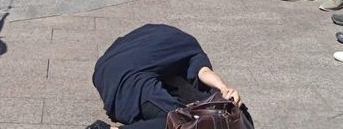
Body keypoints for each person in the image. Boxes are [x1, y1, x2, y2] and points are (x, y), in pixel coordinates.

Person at [89, 24, 246, 129]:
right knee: (179, 121)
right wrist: (223, 88)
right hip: (131, 83)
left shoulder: (155, 31)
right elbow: (203, 72)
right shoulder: (191, 48)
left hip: (102, 72)